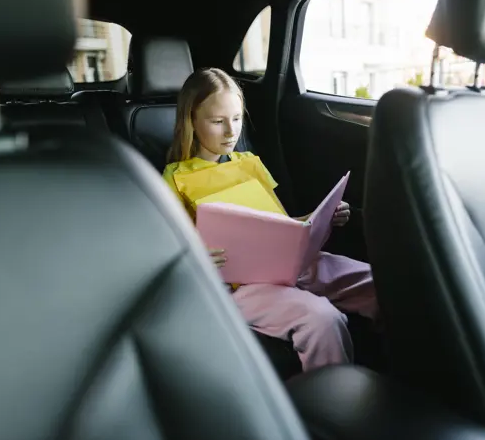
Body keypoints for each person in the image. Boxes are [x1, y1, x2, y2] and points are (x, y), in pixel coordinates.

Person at [162, 67, 379, 372]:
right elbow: (171, 250)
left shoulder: (249, 163)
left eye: (236, 119)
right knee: (322, 319)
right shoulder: (176, 178)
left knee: (381, 283)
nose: (230, 132)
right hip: (240, 284)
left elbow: (282, 223)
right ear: (192, 121)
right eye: (217, 121)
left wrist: (321, 217)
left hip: (292, 264)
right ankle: (330, 405)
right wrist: (195, 257)